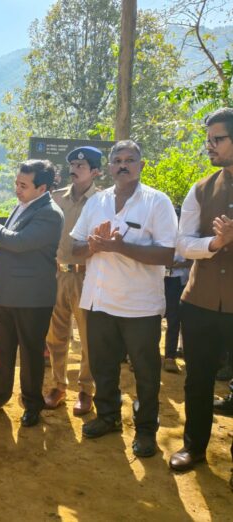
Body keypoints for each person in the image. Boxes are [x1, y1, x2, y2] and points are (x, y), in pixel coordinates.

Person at [71, 140, 178, 458]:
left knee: (146, 373)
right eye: (117, 160)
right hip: (99, 301)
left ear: (141, 165)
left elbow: (167, 254)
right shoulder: (96, 202)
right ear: (109, 167)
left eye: (130, 160)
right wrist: (92, 246)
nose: (123, 165)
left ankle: (145, 430)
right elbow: (74, 248)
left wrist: (120, 247)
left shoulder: (157, 202)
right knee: (103, 367)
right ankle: (108, 417)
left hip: (140, 306)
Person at [0, 159, 64, 427]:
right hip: (8, 294)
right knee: (2, 352)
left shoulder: (50, 213)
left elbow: (21, 242)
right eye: (16, 183)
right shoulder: (24, 204)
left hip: (32, 298)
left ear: (42, 188)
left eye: (23, 185)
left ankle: (32, 404)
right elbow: (12, 241)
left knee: (31, 355)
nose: (17, 189)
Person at [169, 108, 233, 483]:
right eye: (207, 139)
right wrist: (216, 243)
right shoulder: (201, 189)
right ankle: (193, 446)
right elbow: (183, 243)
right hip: (199, 303)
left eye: (218, 139)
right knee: (198, 380)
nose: (210, 146)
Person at [44, 146, 101, 416]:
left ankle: (86, 390)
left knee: (88, 337)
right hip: (57, 274)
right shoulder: (56, 198)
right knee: (56, 335)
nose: (75, 169)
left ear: (95, 172)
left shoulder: (102, 201)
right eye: (73, 165)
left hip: (87, 276)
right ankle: (58, 385)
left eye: (82, 166)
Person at [163, 208, 191, 374]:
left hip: (177, 281)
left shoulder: (185, 236)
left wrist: (178, 264)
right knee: (153, 317)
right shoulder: (160, 232)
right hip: (159, 279)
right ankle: (143, 355)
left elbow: (192, 260)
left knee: (174, 319)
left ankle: (170, 356)